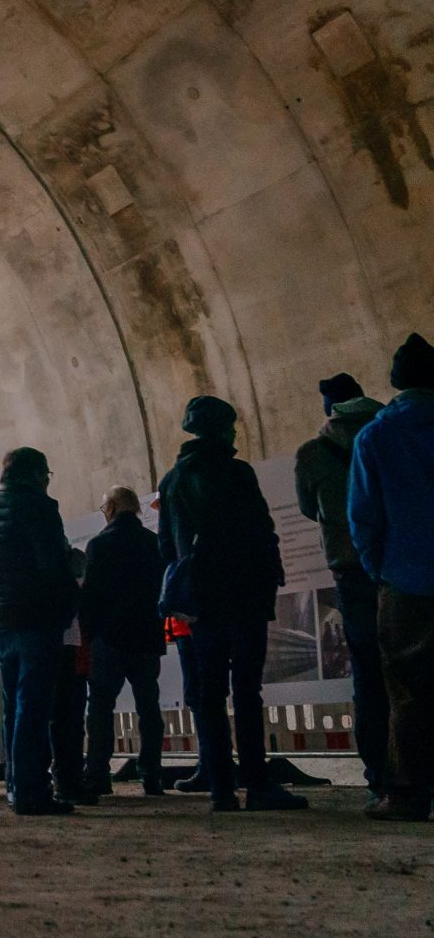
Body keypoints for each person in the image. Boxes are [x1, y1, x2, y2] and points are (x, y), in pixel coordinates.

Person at [158, 395, 307, 812]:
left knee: (208, 694)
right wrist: (268, 580)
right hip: (243, 599)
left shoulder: (173, 480)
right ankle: (258, 784)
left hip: (202, 604)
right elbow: (261, 531)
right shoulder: (237, 472)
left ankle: (221, 789)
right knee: (246, 690)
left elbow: (166, 548)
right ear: (224, 430)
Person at [0, 447, 77, 816]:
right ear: (39, 474)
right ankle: (31, 791)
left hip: (2, 619)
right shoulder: (41, 506)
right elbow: (53, 563)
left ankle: (14, 785)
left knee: (15, 706)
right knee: (34, 706)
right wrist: (68, 604)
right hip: (38, 617)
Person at [349, 332, 434, 822]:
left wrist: (380, 567)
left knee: (408, 690)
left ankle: (405, 794)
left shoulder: (376, 436)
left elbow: (364, 517)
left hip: (406, 580)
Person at [296, 373, 388, 804]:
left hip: (350, 570)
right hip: (405, 568)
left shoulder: (313, 453)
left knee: (368, 674)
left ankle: (380, 776)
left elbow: (307, 508)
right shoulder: (392, 434)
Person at [79, 486, 165, 797]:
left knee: (100, 707)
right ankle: (152, 775)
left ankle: (99, 773)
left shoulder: (100, 544)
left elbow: (90, 596)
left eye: (104, 508)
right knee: (149, 707)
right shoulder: (153, 542)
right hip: (146, 636)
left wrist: (87, 635)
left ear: (112, 507)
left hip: (110, 638)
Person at [50, 549, 92, 805]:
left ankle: (57, 780)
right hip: (71, 646)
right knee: (70, 719)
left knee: (54, 717)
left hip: (51, 643)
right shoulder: (73, 565)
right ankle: (69, 780)